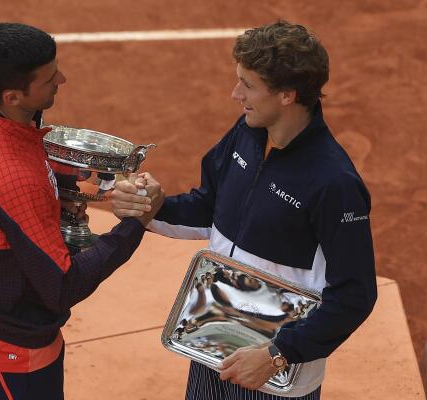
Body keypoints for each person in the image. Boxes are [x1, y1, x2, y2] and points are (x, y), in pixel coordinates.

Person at [111, 20, 377, 400]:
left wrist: (275, 355)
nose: (236, 94)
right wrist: (150, 208)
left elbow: (355, 295)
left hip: (275, 373)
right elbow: (209, 207)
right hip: (212, 339)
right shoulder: (249, 133)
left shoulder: (334, 183)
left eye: (248, 85)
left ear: (287, 95)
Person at [0, 22, 161, 400]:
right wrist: (135, 223)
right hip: (12, 352)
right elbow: (62, 287)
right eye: (50, 79)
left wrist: (35, 213)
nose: (61, 80)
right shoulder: (16, 181)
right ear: (15, 96)